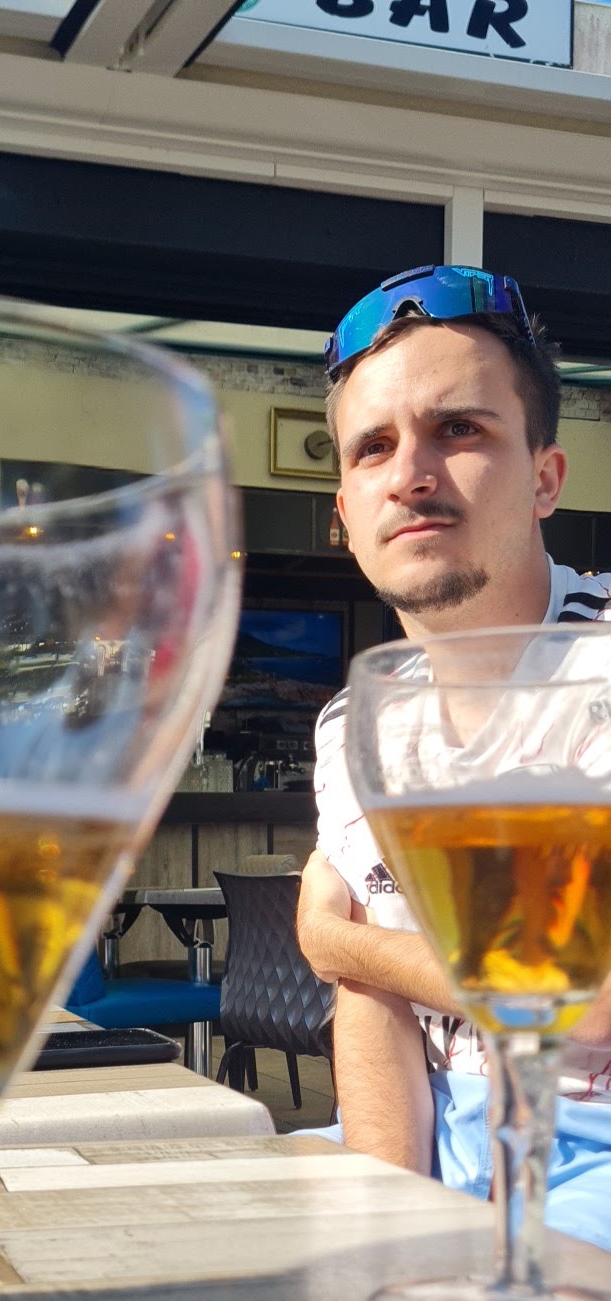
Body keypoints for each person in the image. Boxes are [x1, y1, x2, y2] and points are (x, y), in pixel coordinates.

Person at [296, 263, 611, 1250]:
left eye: (459, 429)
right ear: (346, 514)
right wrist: (386, 1222)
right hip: (423, 1128)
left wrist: (335, 938)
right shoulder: (356, 722)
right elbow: (371, 1005)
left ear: (545, 478)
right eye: (374, 447)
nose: (410, 475)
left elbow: (583, 1002)